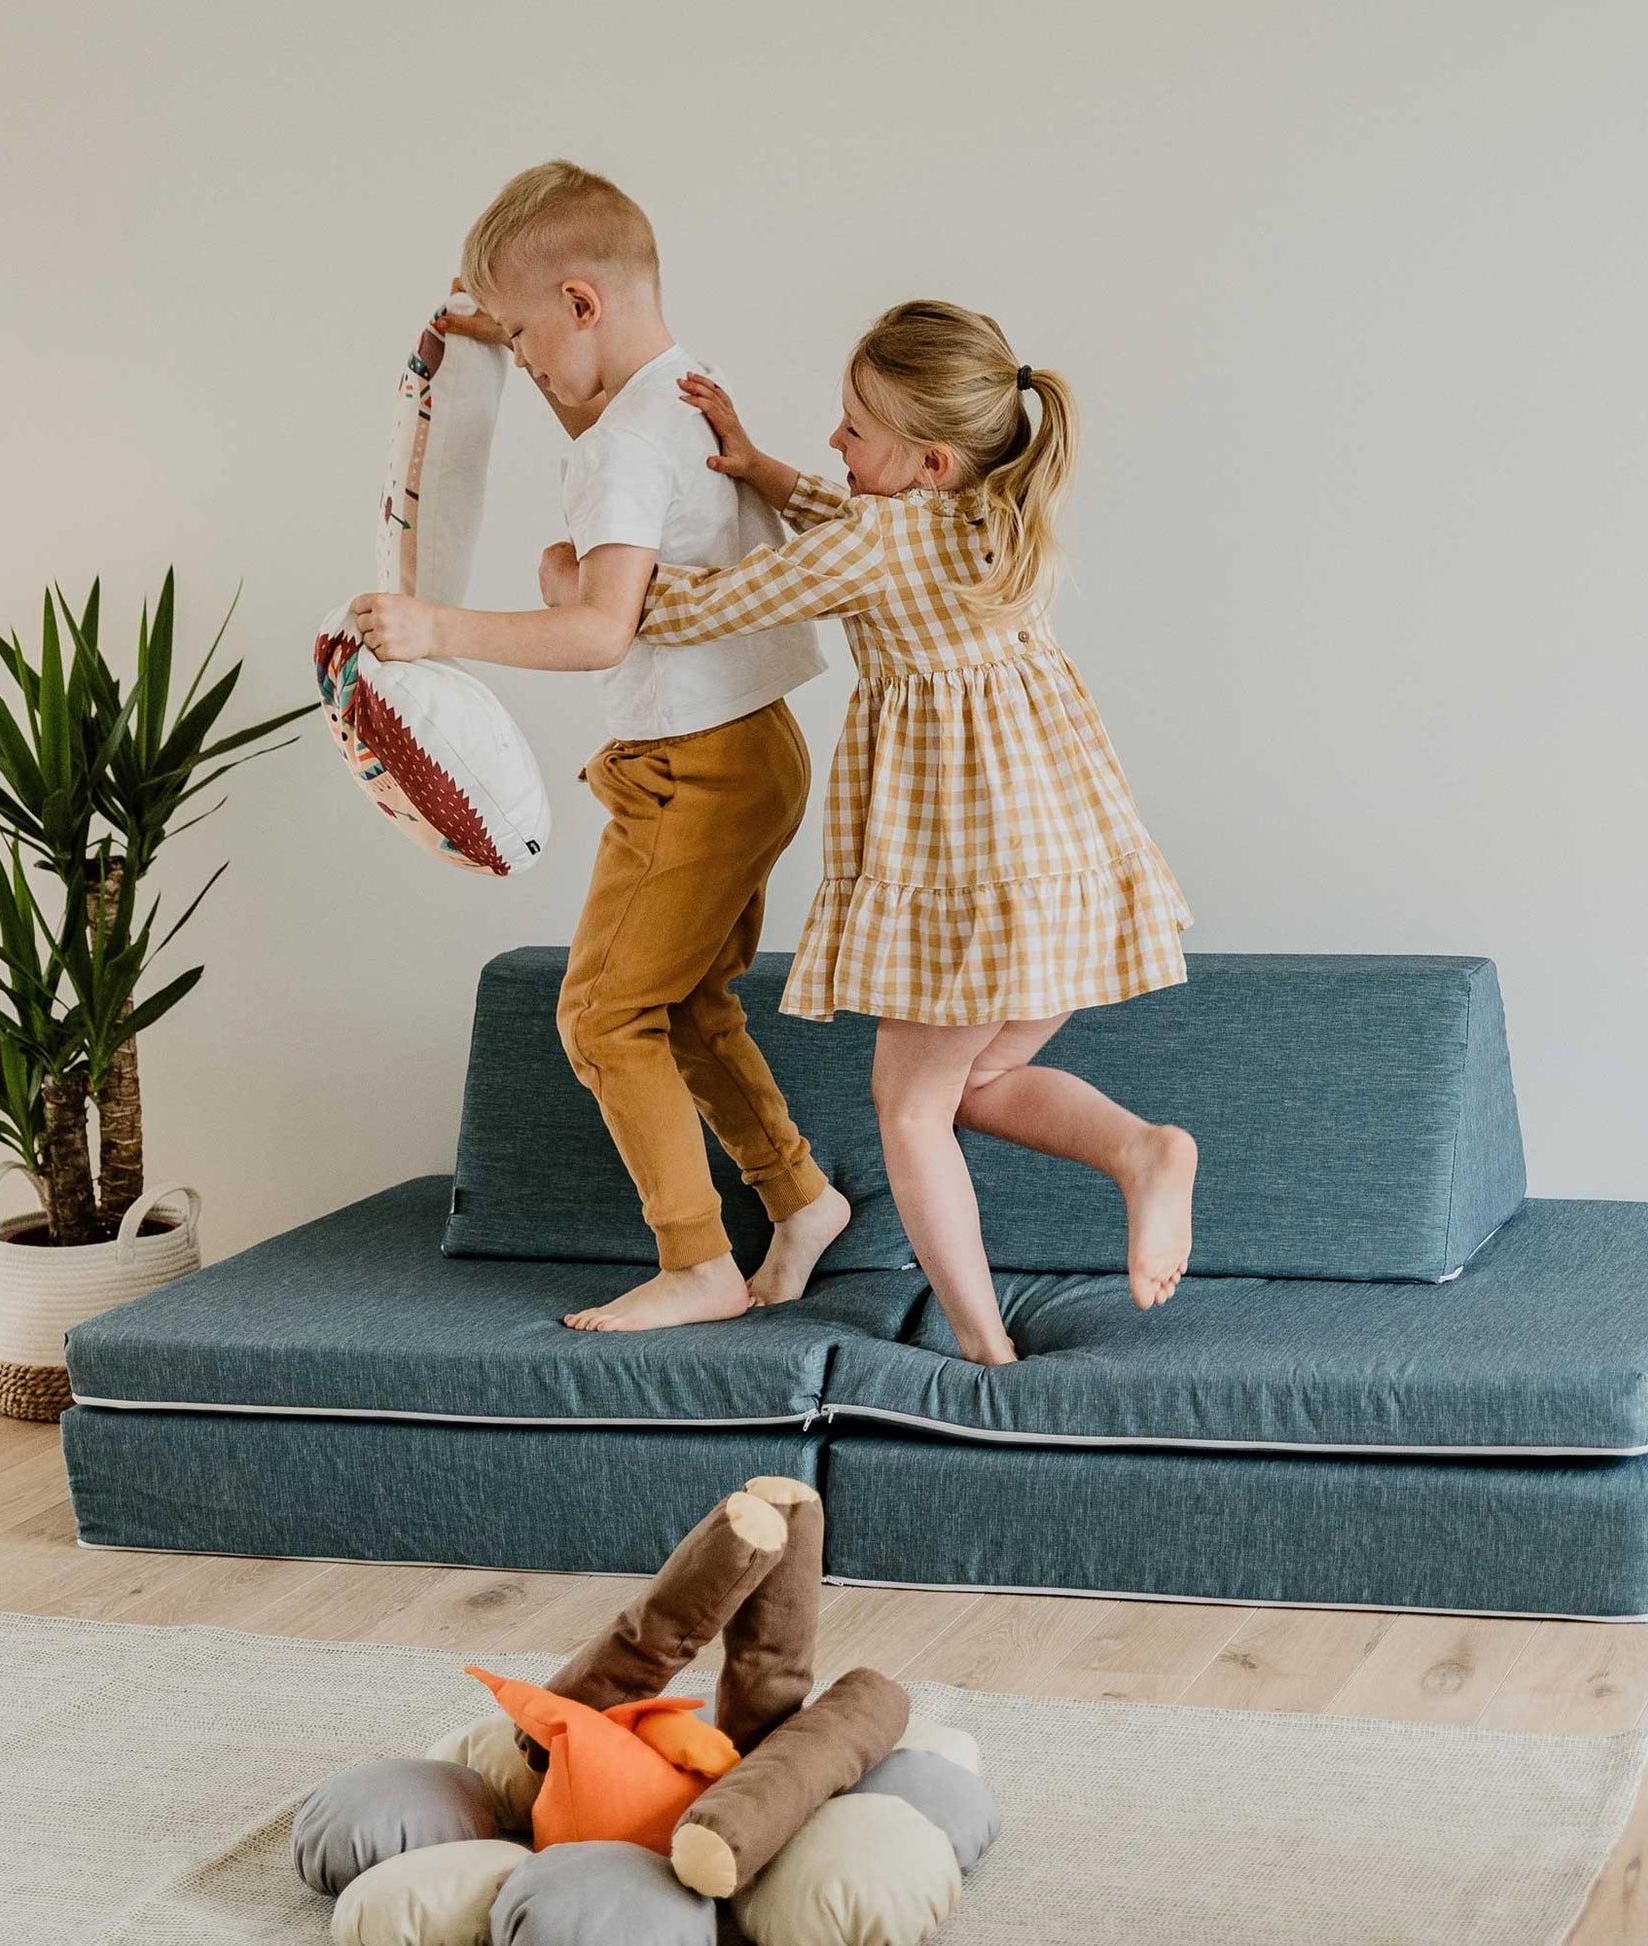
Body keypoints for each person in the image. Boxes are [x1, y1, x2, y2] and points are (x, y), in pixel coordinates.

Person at [540, 299, 1195, 1365]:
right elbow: (855, 528)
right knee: (976, 1088)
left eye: (851, 429)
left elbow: (711, 603)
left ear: (927, 459)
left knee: (909, 1111)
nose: (832, 445)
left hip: (969, 868)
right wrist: (760, 470)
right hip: (1063, 857)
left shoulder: (880, 541)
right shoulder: (988, 512)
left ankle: (987, 1350)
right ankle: (1140, 1148)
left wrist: (577, 581)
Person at [351, 161, 850, 1330]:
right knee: (681, 1004)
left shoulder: (625, 445)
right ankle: (798, 1195)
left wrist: (439, 628)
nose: (524, 368)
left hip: (689, 771)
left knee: (598, 1015)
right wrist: (493, 323)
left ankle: (696, 1262)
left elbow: (596, 632)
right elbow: (594, 418)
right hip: (755, 751)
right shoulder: (678, 393)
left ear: (583, 303)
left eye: (526, 339)